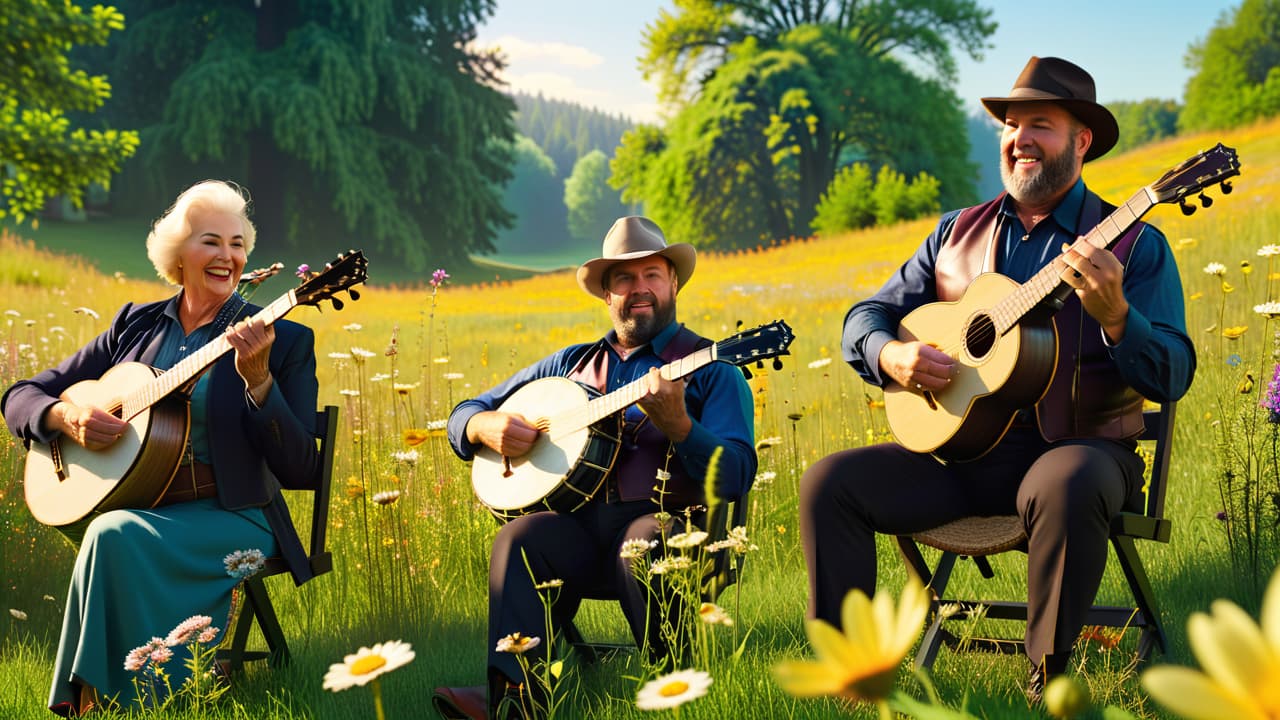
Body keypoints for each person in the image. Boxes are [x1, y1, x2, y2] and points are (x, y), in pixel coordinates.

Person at [799, 56, 1195, 701]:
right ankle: (846, 678)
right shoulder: (955, 233)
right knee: (829, 482)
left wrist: (1120, 318)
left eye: (1040, 123)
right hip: (960, 460)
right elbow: (866, 317)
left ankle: (1047, 681)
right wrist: (887, 356)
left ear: (1082, 141)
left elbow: (1174, 375)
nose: (1019, 138)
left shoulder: (1131, 245)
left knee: (1067, 480)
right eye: (1011, 125)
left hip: (1081, 451)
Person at [2, 180, 322, 715]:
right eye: (211, 241)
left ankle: (102, 702)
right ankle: (119, 696)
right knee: (113, 530)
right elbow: (20, 396)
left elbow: (297, 466)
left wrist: (260, 382)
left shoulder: (282, 339)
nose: (228, 256)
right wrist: (66, 415)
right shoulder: (136, 325)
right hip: (145, 505)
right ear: (178, 254)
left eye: (238, 243)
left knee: (111, 534)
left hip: (236, 513)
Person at [433, 216, 757, 720]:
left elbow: (736, 474)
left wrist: (682, 428)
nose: (639, 289)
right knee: (520, 540)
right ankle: (515, 701)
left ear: (673, 282)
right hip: (581, 539)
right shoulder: (569, 365)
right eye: (624, 279)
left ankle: (675, 692)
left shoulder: (711, 369)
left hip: (673, 535)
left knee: (642, 543)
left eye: (651, 274)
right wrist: (482, 428)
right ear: (607, 294)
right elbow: (463, 413)